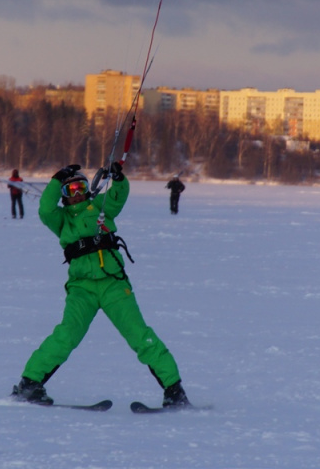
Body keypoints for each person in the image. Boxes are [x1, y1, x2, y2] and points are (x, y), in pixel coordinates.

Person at [11, 162, 191, 409]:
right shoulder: (60, 220)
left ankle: (174, 390)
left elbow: (118, 195)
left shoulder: (100, 207)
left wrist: (118, 178)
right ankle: (29, 384)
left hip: (113, 284)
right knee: (66, 335)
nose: (75, 194)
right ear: (63, 197)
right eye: (69, 190)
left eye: (79, 188)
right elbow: (45, 209)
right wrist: (56, 180)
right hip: (81, 289)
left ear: (87, 190)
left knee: (140, 335)